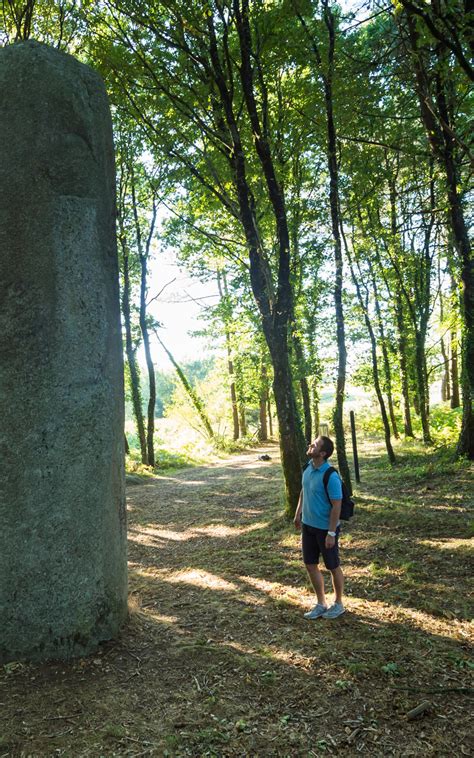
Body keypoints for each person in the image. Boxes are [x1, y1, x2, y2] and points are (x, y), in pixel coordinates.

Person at [294, 435, 345, 619]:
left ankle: (338, 604)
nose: (311, 445)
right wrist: (298, 513)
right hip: (308, 526)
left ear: (322, 453)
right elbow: (303, 490)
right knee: (310, 565)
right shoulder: (308, 467)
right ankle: (321, 603)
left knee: (333, 565)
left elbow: (337, 505)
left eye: (315, 445)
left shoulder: (330, 475)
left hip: (325, 529)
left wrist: (331, 532)